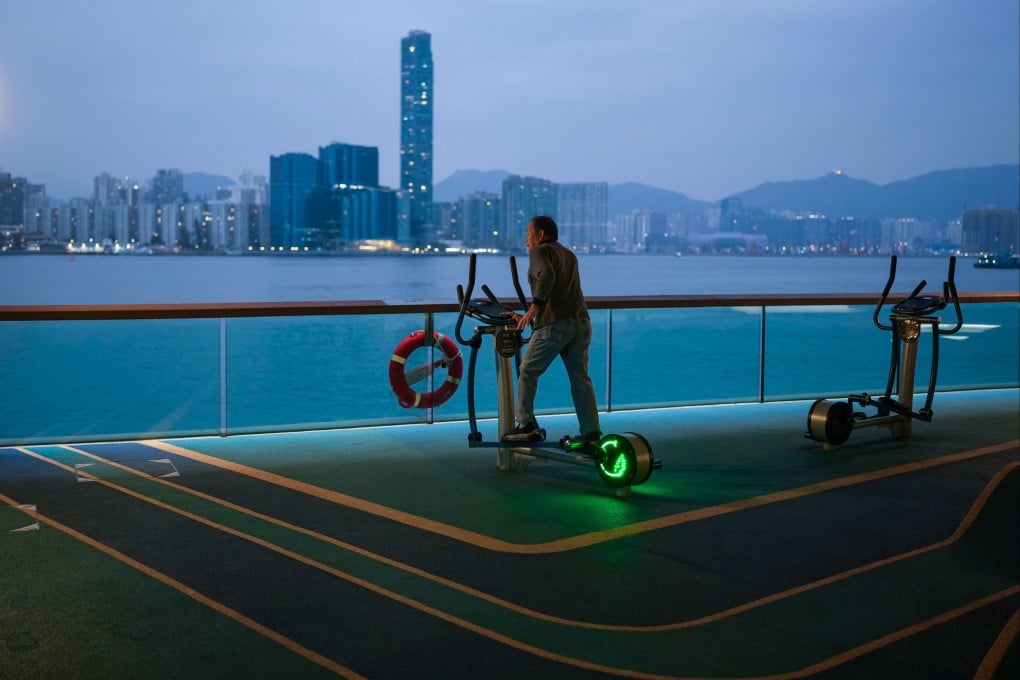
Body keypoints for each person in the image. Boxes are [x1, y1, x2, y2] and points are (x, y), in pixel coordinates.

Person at [501, 215, 601, 449]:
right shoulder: (568, 254)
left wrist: (534, 309)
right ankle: (592, 434)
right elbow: (559, 289)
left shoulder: (540, 252)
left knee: (527, 370)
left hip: (555, 325)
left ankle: (526, 424)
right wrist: (527, 314)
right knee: (580, 378)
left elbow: (546, 276)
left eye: (528, 233)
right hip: (581, 323)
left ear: (541, 235)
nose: (526, 239)